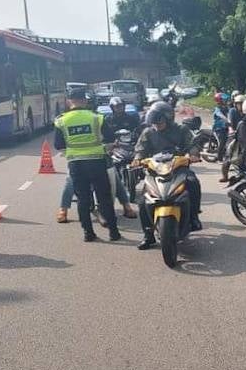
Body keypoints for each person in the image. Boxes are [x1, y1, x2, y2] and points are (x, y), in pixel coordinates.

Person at [54, 88, 120, 242]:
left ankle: (88, 233)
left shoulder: (61, 120)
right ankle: (113, 232)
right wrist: (104, 148)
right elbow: (110, 139)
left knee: (83, 199)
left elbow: (59, 145)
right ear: (84, 100)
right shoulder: (97, 117)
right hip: (97, 161)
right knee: (104, 198)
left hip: (76, 165)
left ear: (69, 101)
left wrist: (72, 152)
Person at [134, 101, 202, 249]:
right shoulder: (148, 132)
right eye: (154, 122)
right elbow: (140, 148)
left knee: (193, 182)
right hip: (155, 170)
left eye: (159, 121)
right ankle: (148, 235)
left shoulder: (181, 129)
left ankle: (194, 217)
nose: (156, 125)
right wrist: (137, 159)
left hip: (178, 168)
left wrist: (194, 154)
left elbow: (193, 144)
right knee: (143, 200)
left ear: (168, 118)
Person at [220, 92, 245, 183]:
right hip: (233, 135)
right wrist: (231, 129)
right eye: (238, 104)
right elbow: (230, 122)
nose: (240, 106)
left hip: (244, 136)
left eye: (242, 103)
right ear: (235, 104)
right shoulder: (232, 111)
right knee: (229, 154)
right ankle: (225, 176)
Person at [211, 91, 232, 163]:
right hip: (219, 128)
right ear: (219, 100)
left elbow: (230, 113)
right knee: (222, 143)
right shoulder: (217, 108)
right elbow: (220, 115)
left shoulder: (226, 107)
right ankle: (219, 159)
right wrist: (227, 120)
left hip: (225, 127)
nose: (225, 101)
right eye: (223, 99)